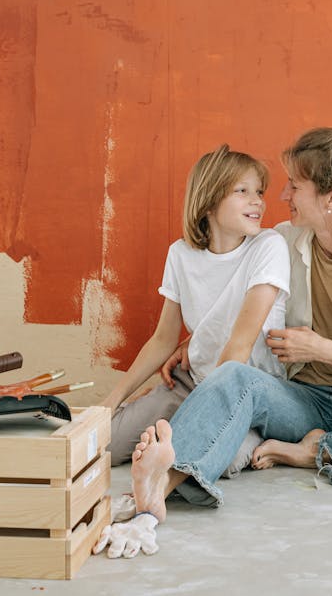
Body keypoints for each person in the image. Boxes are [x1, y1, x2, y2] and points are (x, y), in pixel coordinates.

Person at [95, 127, 332, 558]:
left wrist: (325, 350)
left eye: (295, 185)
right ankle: (159, 489)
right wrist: (194, 339)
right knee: (237, 376)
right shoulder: (285, 244)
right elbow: (232, 283)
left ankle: (320, 452)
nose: (282, 195)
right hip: (302, 400)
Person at [102, 143, 290, 476]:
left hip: (242, 392)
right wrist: (111, 402)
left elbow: (240, 346)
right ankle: (173, 428)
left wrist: (203, 414)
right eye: (242, 191)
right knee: (108, 443)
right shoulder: (181, 254)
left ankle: (275, 444)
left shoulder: (268, 247)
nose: (257, 201)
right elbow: (163, 339)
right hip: (192, 383)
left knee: (220, 462)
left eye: (259, 191)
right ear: (209, 201)